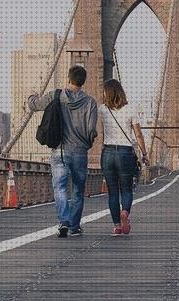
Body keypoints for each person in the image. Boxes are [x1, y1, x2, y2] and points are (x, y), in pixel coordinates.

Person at [31, 65, 98, 238]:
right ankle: (74, 227)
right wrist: (86, 143)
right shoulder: (90, 102)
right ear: (83, 81)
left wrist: (32, 95)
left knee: (59, 187)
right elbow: (91, 130)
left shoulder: (55, 95)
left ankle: (63, 221)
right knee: (78, 189)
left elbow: (34, 105)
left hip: (59, 150)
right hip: (80, 151)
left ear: (68, 78)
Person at [98, 78, 148, 236]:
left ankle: (116, 226)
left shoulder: (102, 109)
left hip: (108, 153)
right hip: (126, 153)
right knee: (126, 189)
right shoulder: (130, 109)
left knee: (112, 192)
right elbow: (138, 135)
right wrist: (144, 154)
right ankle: (125, 211)